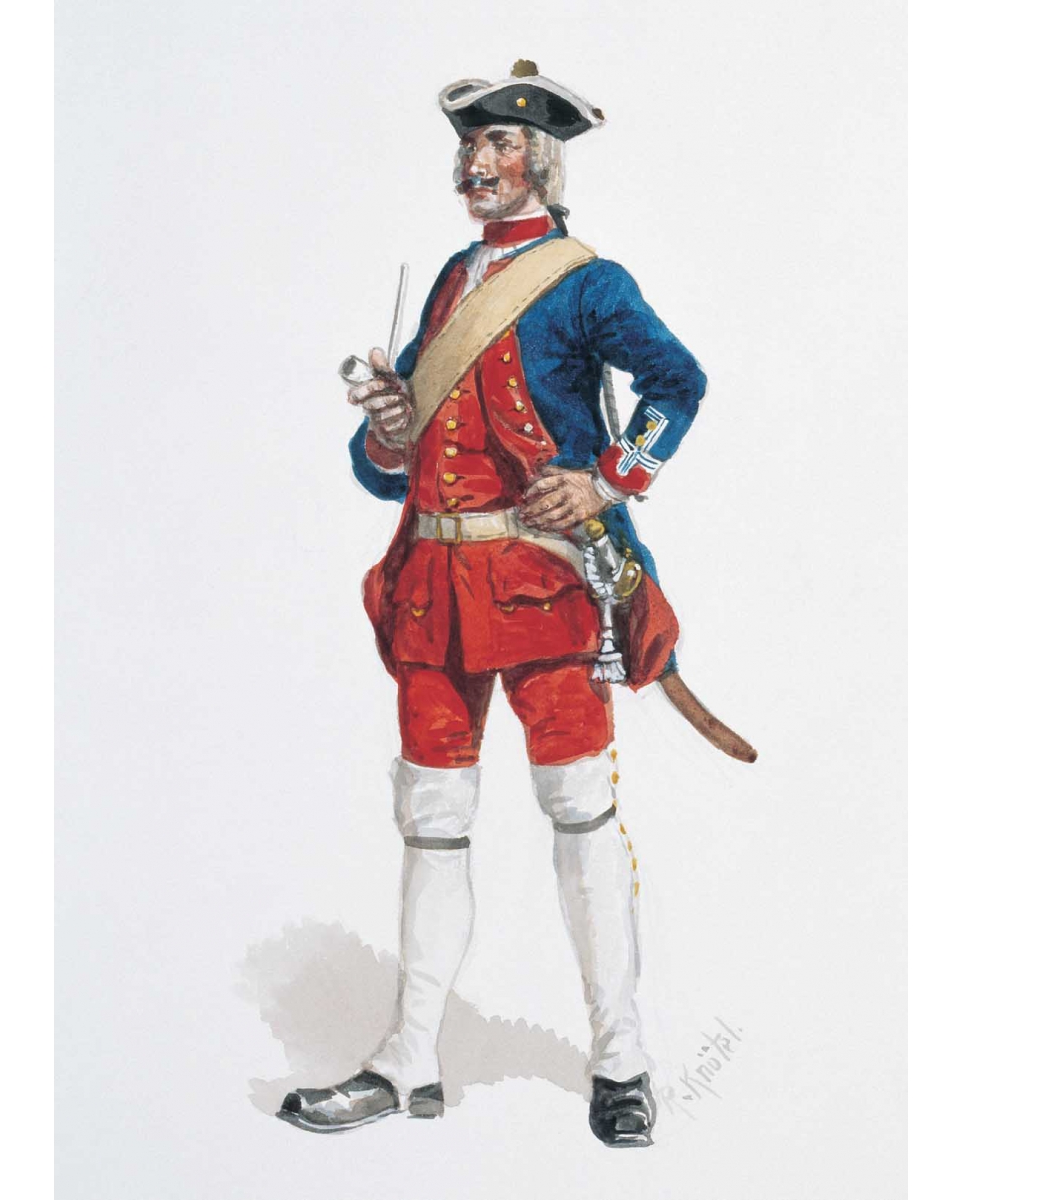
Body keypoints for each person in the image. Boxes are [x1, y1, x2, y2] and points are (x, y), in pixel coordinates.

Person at [277, 60, 707, 1148]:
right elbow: (386, 464)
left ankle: (621, 1058)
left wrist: (609, 480)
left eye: (500, 144)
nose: (476, 161)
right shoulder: (451, 281)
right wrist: (387, 428)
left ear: (541, 164)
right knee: (432, 819)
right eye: (470, 145)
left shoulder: (586, 282)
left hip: (545, 584)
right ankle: (409, 1059)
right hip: (435, 589)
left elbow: (678, 382)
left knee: (578, 809)